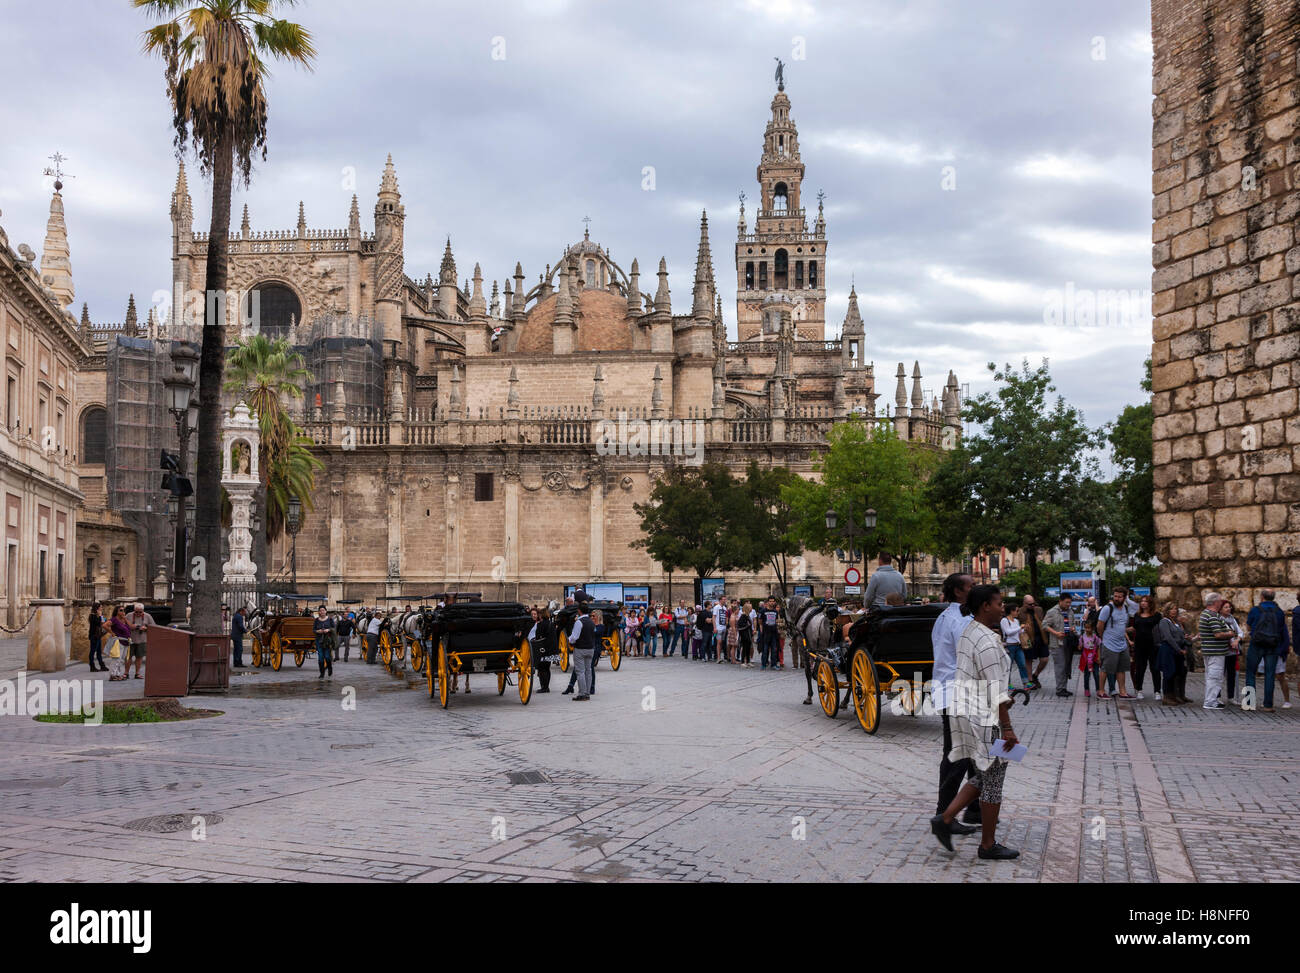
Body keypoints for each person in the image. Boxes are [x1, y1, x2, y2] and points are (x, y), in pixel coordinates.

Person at [930, 584, 1020, 860]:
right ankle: (987, 845)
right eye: (999, 603)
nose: (1002, 607)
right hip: (985, 717)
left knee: (984, 774)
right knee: (994, 779)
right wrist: (1007, 727)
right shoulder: (986, 640)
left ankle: (945, 819)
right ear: (985, 606)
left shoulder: (970, 632)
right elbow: (995, 690)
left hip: (967, 711)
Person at [932, 572, 980, 831]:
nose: (975, 589)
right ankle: (945, 815)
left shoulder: (947, 616)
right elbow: (970, 659)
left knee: (972, 754)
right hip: (958, 694)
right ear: (959, 592)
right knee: (957, 757)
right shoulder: (960, 620)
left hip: (951, 692)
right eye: (971, 586)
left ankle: (974, 809)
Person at [1244, 589, 1289, 712]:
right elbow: (1281, 628)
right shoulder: (1279, 612)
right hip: (1273, 645)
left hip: (1256, 644)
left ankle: (1249, 703)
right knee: (1270, 674)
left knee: (1250, 673)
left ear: (1262, 597)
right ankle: (1268, 705)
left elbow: (1248, 626)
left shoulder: (1255, 610)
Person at [1096, 587, 1136, 699]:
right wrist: (1103, 638)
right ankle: (1101, 691)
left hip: (1122, 644)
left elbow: (1122, 626)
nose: (1117, 598)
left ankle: (1123, 692)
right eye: (1115, 596)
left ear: (1124, 597)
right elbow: (1100, 625)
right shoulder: (1107, 608)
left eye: (1120, 596)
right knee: (1105, 668)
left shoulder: (1125, 609)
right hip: (1109, 644)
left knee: (1121, 668)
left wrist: (1127, 631)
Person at [1198, 592, 1235, 709]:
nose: (1221, 602)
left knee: (1212, 676)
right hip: (1215, 651)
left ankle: (1211, 700)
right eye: (1220, 601)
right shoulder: (1212, 615)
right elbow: (1218, 634)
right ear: (1215, 602)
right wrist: (1230, 634)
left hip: (1211, 650)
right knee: (1215, 676)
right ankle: (1210, 701)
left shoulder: (1206, 614)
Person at [1155, 603, 1190, 706]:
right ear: (1167, 610)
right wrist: (1179, 649)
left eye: (1175, 609)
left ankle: (1174, 695)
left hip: (1176, 651)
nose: (1174, 611)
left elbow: (1181, 637)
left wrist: (1189, 640)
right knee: (1168, 673)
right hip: (1168, 650)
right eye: (1171, 609)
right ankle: (1166, 696)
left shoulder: (1176, 622)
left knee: (1176, 673)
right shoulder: (1164, 621)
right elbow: (1168, 637)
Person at [1128, 595, 1162, 700]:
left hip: (1153, 645)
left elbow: (1161, 628)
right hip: (1139, 645)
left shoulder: (1157, 615)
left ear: (1150, 603)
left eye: (1145, 601)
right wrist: (1122, 629)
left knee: (1155, 669)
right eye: (1142, 601)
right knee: (1140, 668)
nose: (1143, 603)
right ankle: (1139, 690)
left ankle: (1157, 691)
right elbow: (1134, 628)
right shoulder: (1137, 615)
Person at [1042, 592, 1076, 698]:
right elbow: (1044, 625)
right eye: (1066, 602)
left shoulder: (1070, 611)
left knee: (1066, 666)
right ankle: (1060, 689)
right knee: (1060, 666)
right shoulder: (1052, 611)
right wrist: (1056, 633)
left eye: (1070, 603)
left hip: (1068, 642)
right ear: (1060, 601)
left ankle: (1064, 688)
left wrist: (1073, 628)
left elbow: (1073, 623)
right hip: (1057, 643)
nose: (1068, 605)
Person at [568, 596, 596, 701]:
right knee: (588, 671)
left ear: (579, 611)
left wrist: (568, 639)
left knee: (580, 671)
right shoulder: (591, 622)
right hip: (590, 648)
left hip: (580, 649)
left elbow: (574, 637)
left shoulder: (579, 622)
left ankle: (582, 693)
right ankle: (587, 692)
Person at [529, 604, 557, 693]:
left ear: (541, 615)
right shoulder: (551, 624)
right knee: (547, 668)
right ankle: (547, 686)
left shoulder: (540, 625)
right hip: (551, 649)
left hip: (542, 649)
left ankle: (543, 687)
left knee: (541, 669)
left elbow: (537, 638)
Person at [1020, 595, 1047, 689]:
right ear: (1024, 603)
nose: (1032, 605)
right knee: (1029, 660)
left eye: (1033, 603)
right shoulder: (1020, 611)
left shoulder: (1039, 609)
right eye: (1030, 604)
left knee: (1045, 659)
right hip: (1028, 639)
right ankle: (1030, 680)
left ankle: (1035, 675)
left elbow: (1043, 621)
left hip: (1041, 637)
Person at [1220, 599, 1244, 704]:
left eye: (1229, 607)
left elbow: (1240, 632)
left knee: (1231, 674)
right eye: (1225, 607)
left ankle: (1231, 697)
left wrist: (1237, 640)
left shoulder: (1232, 619)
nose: (1228, 609)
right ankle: (1217, 696)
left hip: (1232, 651)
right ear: (1220, 609)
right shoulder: (1218, 619)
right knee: (1219, 674)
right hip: (1222, 650)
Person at [1000, 603, 1029, 690]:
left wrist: (1024, 629)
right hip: (1009, 646)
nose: (1018, 612)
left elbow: (1018, 632)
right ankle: (1007, 684)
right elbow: (1008, 632)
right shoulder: (1004, 620)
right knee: (1008, 666)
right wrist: (1020, 627)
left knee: (1022, 664)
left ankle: (1026, 683)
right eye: (1016, 610)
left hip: (1018, 645)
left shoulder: (1016, 621)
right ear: (1011, 611)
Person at [126, 603, 154, 680]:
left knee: (139, 657)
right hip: (130, 640)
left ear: (143, 611)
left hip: (142, 640)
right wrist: (133, 627)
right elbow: (124, 625)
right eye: (136, 612)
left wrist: (146, 628)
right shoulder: (128, 615)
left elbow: (153, 627)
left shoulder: (148, 616)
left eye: (140, 612)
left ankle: (137, 673)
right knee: (128, 657)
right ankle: (126, 673)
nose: (138, 613)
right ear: (134, 610)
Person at [104, 607, 131, 681]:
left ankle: (117, 674)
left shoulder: (123, 620)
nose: (123, 612)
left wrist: (125, 618)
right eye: (121, 610)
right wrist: (112, 633)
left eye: (124, 610)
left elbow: (131, 626)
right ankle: (112, 675)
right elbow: (105, 625)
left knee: (121, 660)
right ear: (117, 611)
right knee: (116, 659)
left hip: (126, 642)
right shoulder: (114, 619)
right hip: (119, 641)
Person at [1079, 619, 1103, 697]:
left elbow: (1099, 647)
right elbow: (1079, 647)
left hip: (1094, 658)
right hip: (1086, 659)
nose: (1087, 629)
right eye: (1086, 628)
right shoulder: (1082, 637)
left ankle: (1098, 689)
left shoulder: (1095, 637)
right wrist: (1080, 646)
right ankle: (1086, 689)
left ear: (1092, 628)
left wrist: (1099, 657)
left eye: (1089, 628)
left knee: (1096, 674)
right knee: (1087, 675)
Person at [313, 606, 335, 678]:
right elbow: (314, 630)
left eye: (323, 610)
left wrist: (328, 630)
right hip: (319, 640)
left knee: (327, 657)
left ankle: (329, 667)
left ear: (326, 611)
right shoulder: (316, 620)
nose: (322, 612)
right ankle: (322, 673)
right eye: (320, 610)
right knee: (320, 657)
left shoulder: (330, 619)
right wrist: (317, 631)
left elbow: (334, 628)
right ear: (319, 612)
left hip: (327, 641)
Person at [759, 598, 780, 670]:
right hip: (766, 633)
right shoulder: (763, 611)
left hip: (774, 633)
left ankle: (773, 664)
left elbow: (776, 621)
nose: (771, 603)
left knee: (774, 649)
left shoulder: (775, 611)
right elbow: (760, 622)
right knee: (765, 649)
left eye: (773, 601)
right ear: (767, 602)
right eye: (770, 601)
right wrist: (762, 631)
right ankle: (763, 664)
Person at [87, 602, 104, 673]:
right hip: (94, 636)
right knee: (92, 652)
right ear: (97, 608)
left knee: (99, 652)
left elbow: (102, 622)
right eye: (100, 607)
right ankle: (92, 666)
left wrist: (100, 616)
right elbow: (98, 623)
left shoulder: (97, 615)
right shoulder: (92, 616)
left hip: (98, 635)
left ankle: (102, 665)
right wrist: (100, 616)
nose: (101, 608)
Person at [737, 600, 754, 667]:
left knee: (748, 648)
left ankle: (748, 661)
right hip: (744, 635)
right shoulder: (743, 616)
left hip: (748, 634)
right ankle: (743, 662)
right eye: (750, 608)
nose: (751, 609)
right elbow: (740, 626)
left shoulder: (747, 616)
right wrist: (747, 625)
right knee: (744, 648)